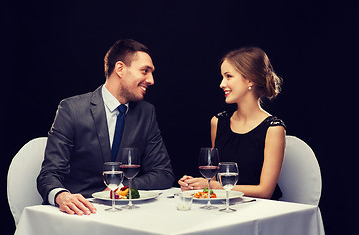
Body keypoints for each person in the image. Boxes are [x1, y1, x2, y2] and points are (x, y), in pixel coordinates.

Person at [37, 39, 175, 215]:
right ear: (120, 69)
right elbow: (49, 174)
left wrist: (122, 188)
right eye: (145, 71)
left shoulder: (146, 113)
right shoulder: (71, 109)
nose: (151, 80)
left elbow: (163, 173)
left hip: (128, 213)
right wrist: (62, 196)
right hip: (81, 213)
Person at [179, 47, 286, 200]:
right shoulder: (218, 122)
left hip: (261, 210)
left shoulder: (273, 128)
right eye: (223, 77)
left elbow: (265, 191)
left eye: (228, 76)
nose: (222, 84)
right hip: (225, 206)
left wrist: (212, 186)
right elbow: (215, 179)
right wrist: (196, 185)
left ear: (250, 79)